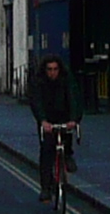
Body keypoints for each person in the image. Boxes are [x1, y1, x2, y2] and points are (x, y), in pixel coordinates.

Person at [28, 53, 78, 205]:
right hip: (47, 120)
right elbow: (36, 102)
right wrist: (42, 120)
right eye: (49, 69)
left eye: (55, 69)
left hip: (63, 116)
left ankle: (68, 155)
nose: (52, 73)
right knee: (46, 151)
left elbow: (74, 99)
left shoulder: (66, 80)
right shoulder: (39, 82)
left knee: (66, 135)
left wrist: (74, 119)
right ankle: (46, 189)